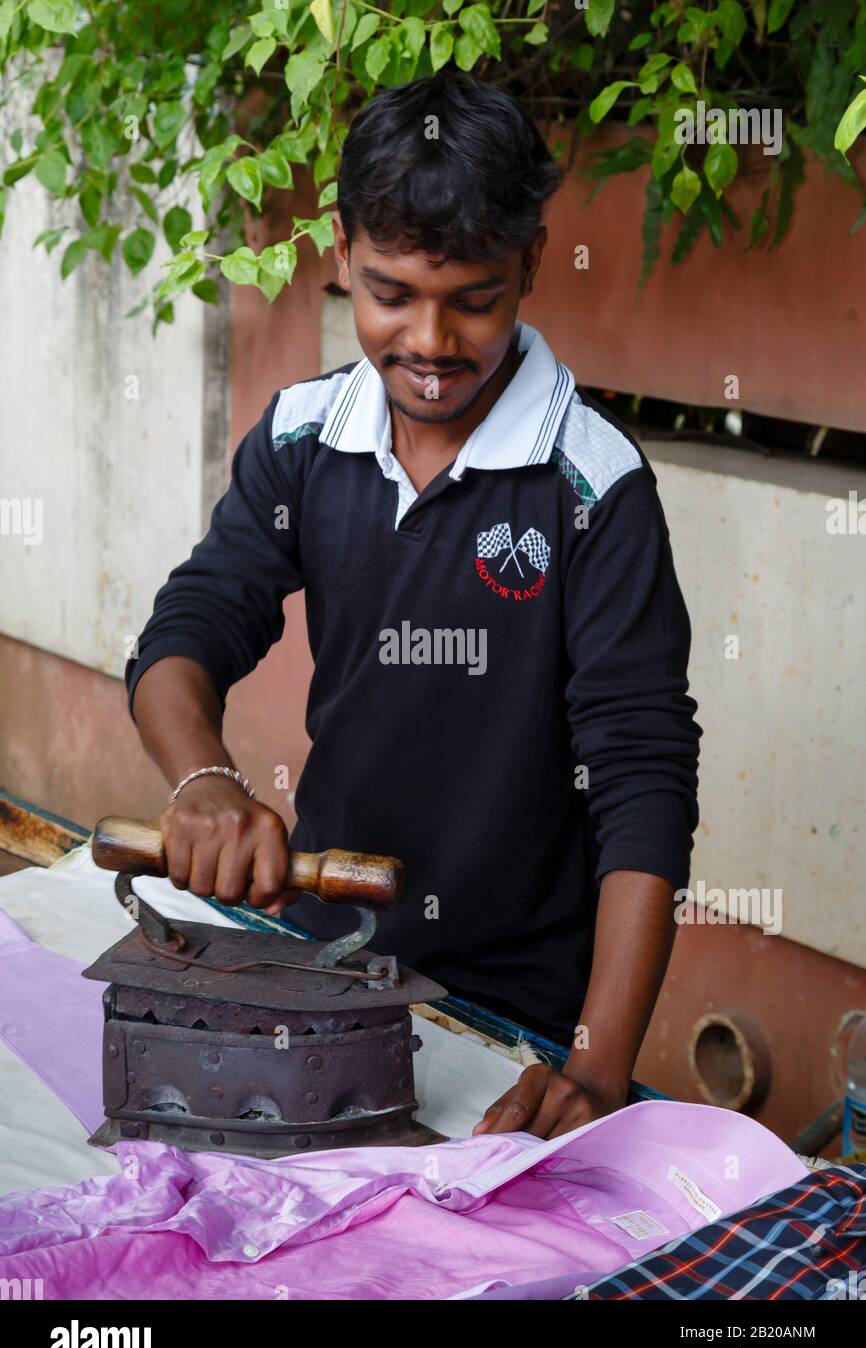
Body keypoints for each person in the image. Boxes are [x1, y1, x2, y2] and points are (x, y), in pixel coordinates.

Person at [126, 72, 701, 1140]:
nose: (430, 344)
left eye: (472, 298)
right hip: (321, 958)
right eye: (391, 293)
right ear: (341, 250)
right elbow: (189, 629)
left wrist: (597, 1062)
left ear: (530, 262)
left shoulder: (593, 485)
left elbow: (640, 773)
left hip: (510, 1012)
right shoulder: (302, 438)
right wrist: (202, 781)